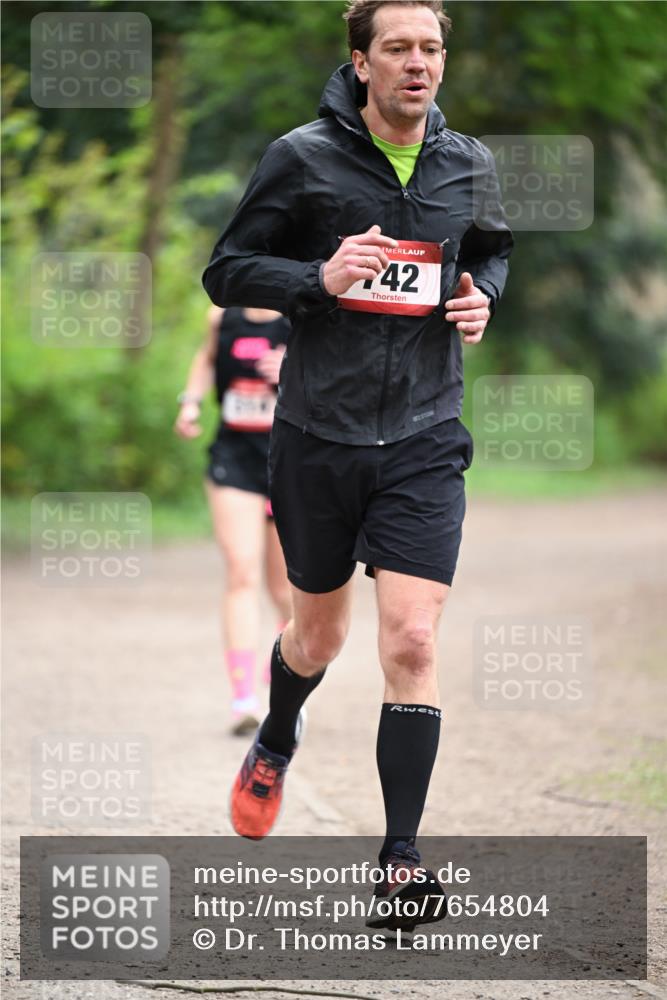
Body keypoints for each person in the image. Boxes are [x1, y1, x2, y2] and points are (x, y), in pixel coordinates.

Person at [202, 0, 512, 931]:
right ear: (361, 61)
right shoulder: (302, 156)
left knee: (412, 642)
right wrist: (315, 280)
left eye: (431, 49)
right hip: (318, 434)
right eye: (398, 49)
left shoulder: (469, 164)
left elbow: (491, 252)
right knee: (317, 640)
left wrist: (480, 298)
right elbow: (226, 271)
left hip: (423, 435)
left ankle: (401, 861)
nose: (418, 64)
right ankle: (278, 732)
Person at [174, 305, 292, 736]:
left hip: (290, 462)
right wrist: (190, 403)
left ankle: (289, 667)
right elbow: (206, 359)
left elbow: (340, 376)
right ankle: (243, 698)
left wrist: (292, 368)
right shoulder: (220, 317)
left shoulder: (302, 312)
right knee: (241, 572)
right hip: (234, 461)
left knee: (284, 589)